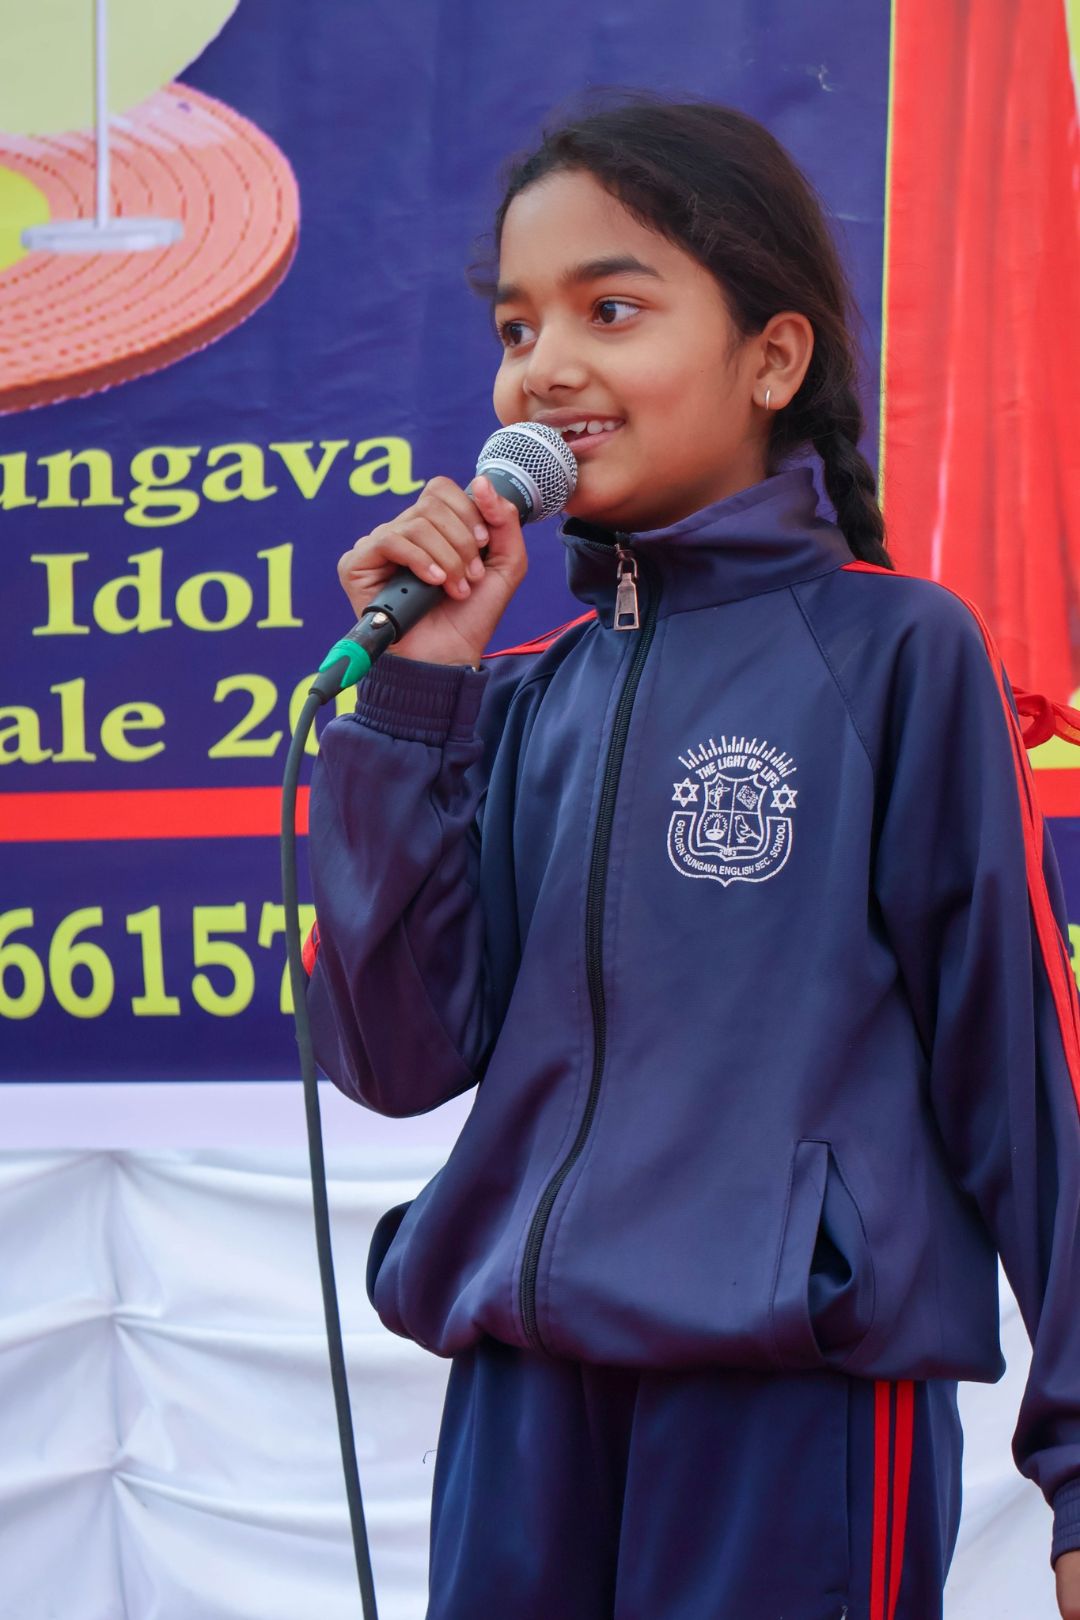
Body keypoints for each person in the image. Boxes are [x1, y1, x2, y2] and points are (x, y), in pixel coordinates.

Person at [303, 98, 1080, 1619]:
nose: (546, 365)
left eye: (611, 308)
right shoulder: (520, 698)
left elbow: (1021, 1070)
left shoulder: (896, 655)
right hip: (522, 1405)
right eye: (518, 326)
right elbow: (393, 1060)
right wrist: (412, 699)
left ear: (773, 359)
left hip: (783, 1396)